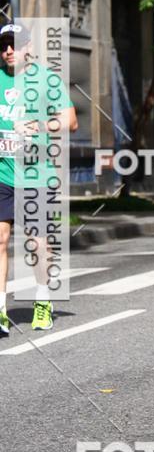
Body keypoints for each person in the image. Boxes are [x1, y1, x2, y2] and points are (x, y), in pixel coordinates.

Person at [0, 23, 77, 337]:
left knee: (36, 244)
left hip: (36, 174)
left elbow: (70, 121)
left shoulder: (46, 79)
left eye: (14, 45)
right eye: (4, 45)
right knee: (0, 240)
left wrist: (40, 125)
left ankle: (43, 299)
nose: (8, 51)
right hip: (3, 173)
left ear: (28, 46)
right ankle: (1, 310)